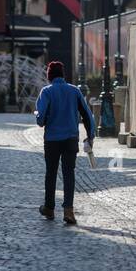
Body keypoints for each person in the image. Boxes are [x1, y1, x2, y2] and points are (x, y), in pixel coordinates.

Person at [34, 61, 94, 225]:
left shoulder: (46, 91)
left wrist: (38, 114)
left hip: (52, 140)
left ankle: (49, 208)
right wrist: (91, 136)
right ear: (63, 74)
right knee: (69, 173)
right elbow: (87, 115)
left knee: (51, 173)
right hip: (70, 139)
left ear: (49, 76)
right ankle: (68, 211)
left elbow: (40, 120)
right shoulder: (74, 91)